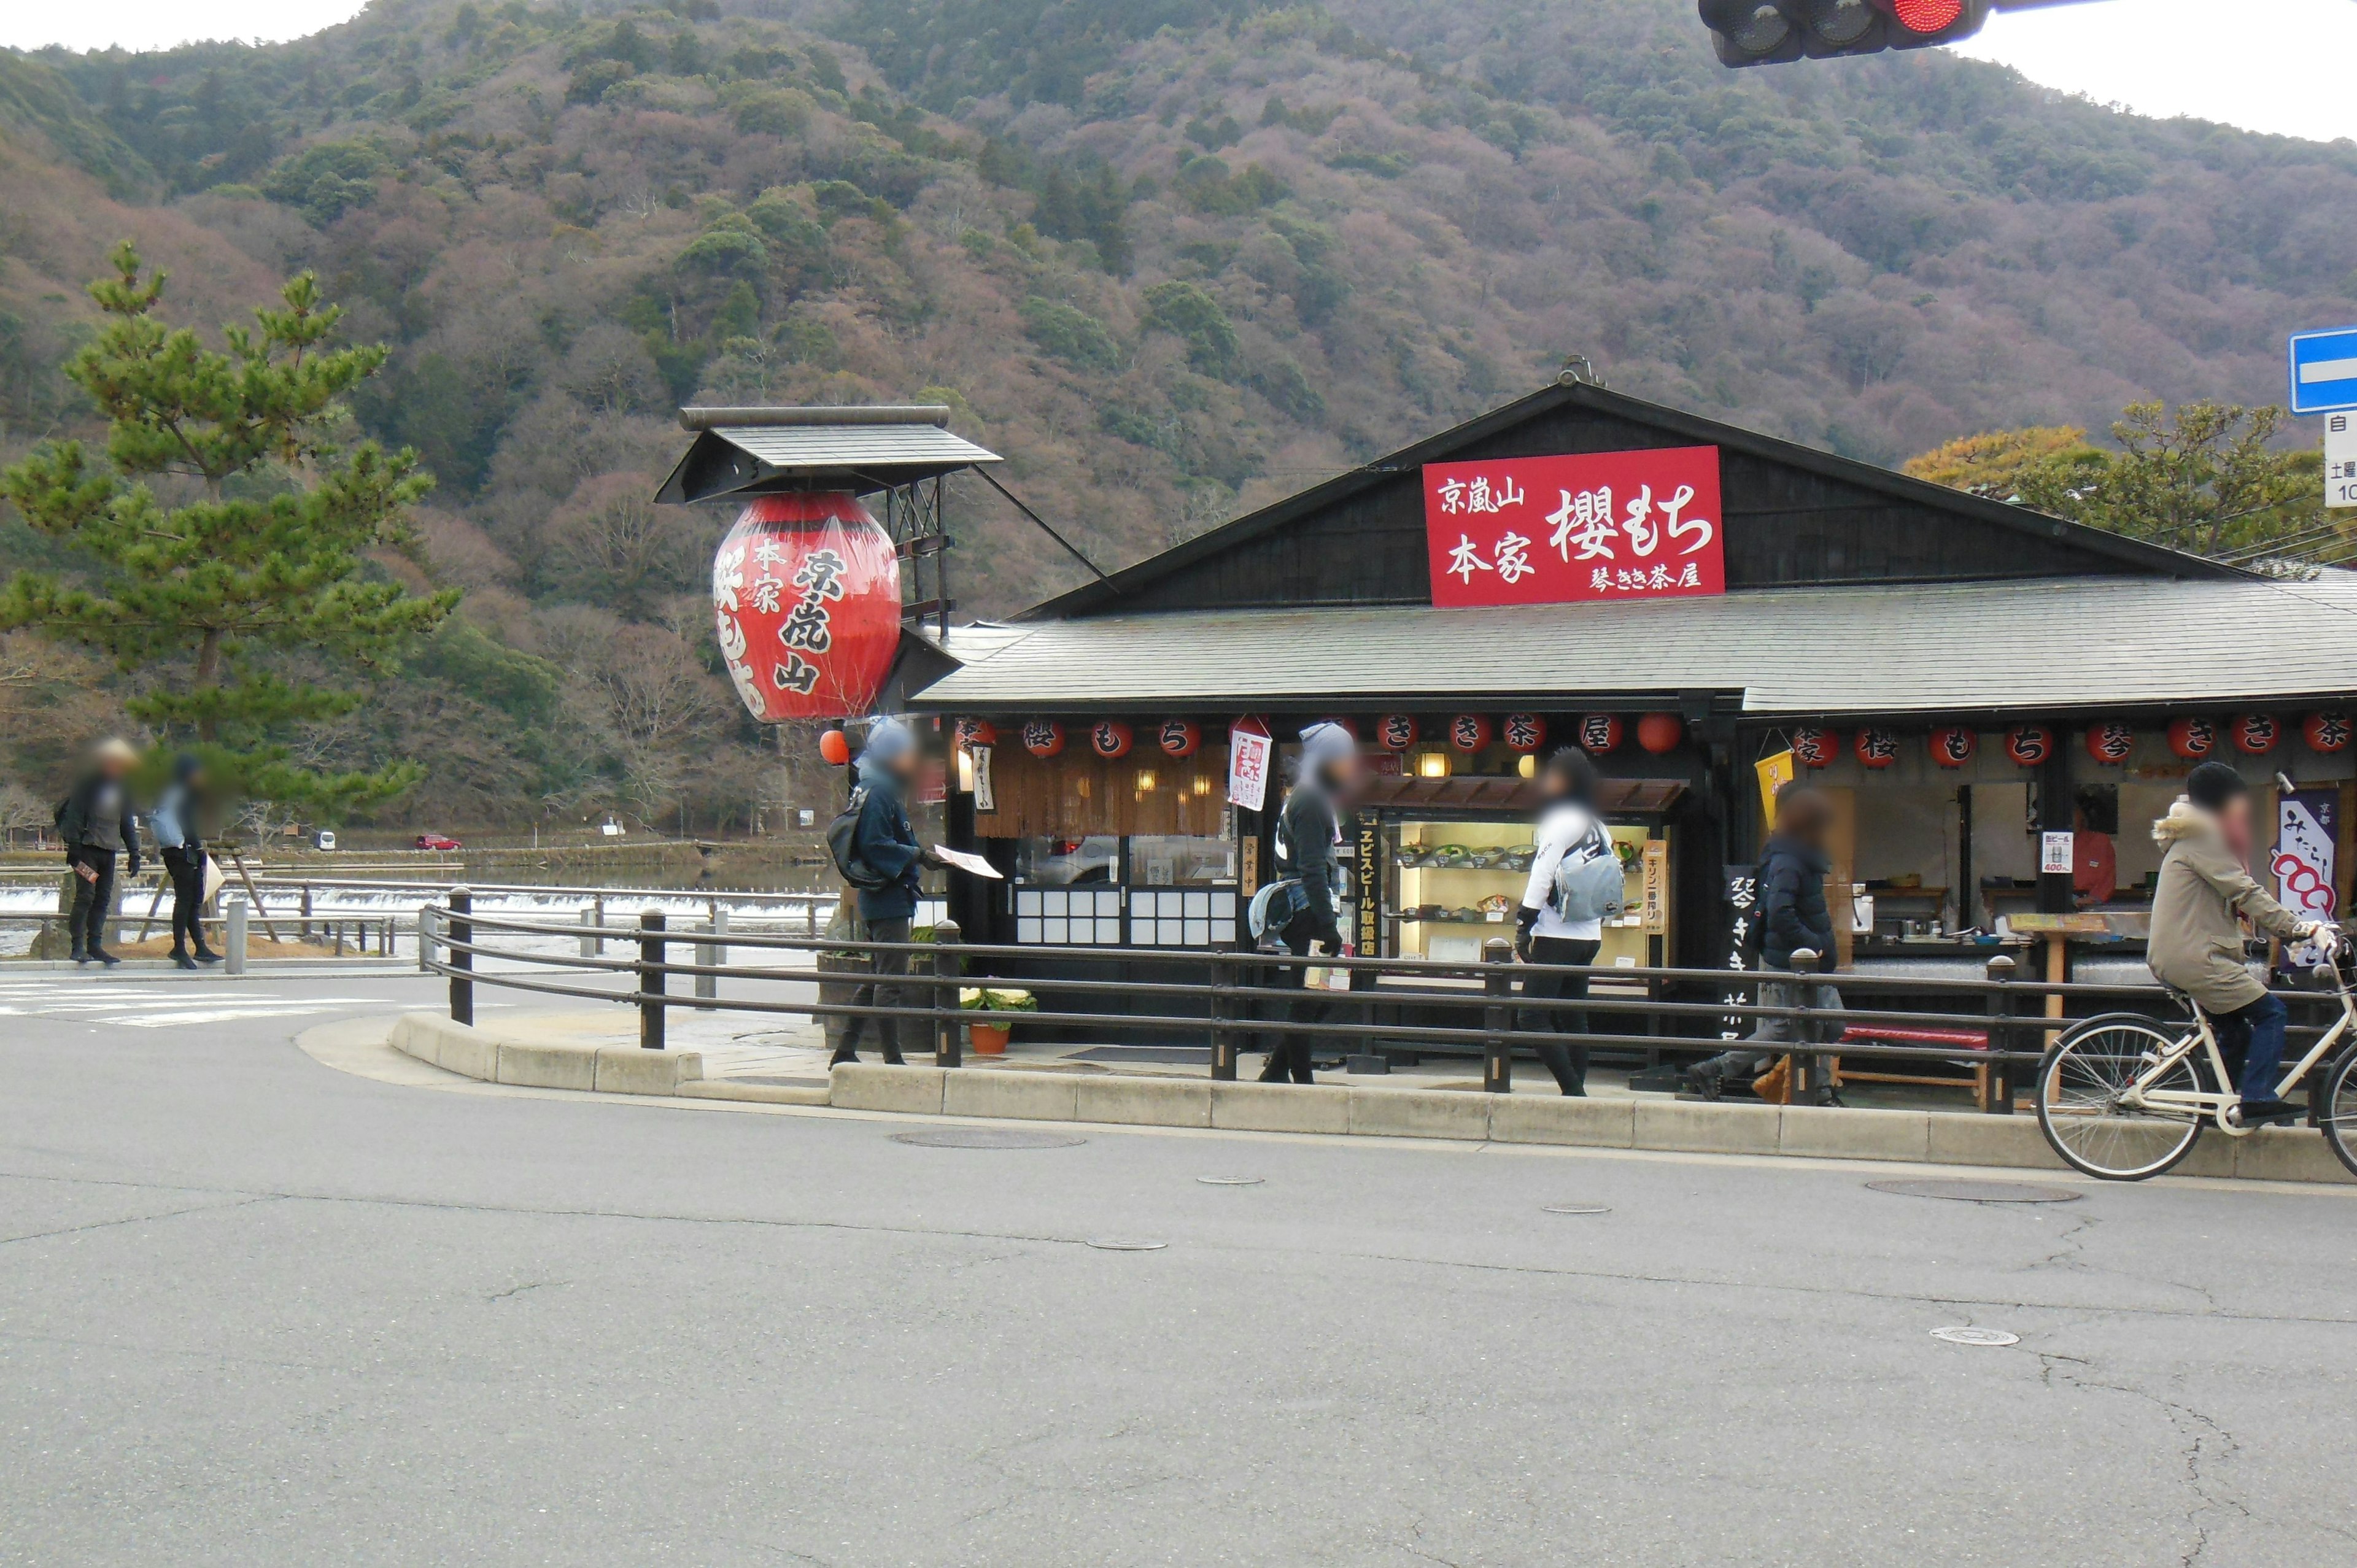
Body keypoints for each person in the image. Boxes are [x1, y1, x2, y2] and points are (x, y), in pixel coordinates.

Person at [2147, 761, 2338, 1126]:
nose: (2243, 807)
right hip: (2196, 957)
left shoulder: (2194, 839)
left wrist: (2289, 931)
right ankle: (2257, 1099)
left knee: (2236, 1031)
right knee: (2272, 1013)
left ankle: (2216, 1109)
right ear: (2222, 802)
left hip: (2186, 954)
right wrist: (2299, 928)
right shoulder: (2201, 839)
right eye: (2238, 799)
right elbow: (2245, 891)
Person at [1687, 782, 1844, 1106]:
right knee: (1793, 1025)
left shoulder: (1795, 855)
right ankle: (1721, 1068)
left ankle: (1813, 1088)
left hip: (1803, 959)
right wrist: (1813, 946)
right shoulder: (1789, 860)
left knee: (1825, 1023)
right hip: (1794, 961)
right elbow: (1780, 912)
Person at [1259, 720, 1363, 1084]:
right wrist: (1326, 924)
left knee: (1320, 994)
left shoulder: (1306, 797)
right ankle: (1301, 1079)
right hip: (1307, 910)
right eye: (1345, 759)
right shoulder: (1311, 801)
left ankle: (1276, 1071)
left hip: (1309, 908)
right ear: (1327, 761)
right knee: (1310, 996)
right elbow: (1313, 869)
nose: (1351, 766)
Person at [830, 717, 932, 1067]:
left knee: (876, 979)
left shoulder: (871, 786)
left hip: (881, 895)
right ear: (891, 756)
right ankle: (892, 1057)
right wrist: (918, 855)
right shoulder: (880, 792)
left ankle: (845, 1048)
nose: (910, 759)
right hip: (887, 896)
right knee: (890, 981)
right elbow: (875, 844)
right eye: (905, 752)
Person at [1513, 747, 1611, 1096]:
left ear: (1566, 781)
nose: (1547, 781)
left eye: (1553, 775)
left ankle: (1573, 1090)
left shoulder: (1560, 820)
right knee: (1573, 1016)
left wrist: (1525, 921)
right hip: (1590, 934)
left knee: (1531, 1016)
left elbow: (1542, 873)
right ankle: (1577, 1091)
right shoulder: (1598, 827)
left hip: (1558, 934)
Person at [56, 737, 144, 967]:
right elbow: (75, 814)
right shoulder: (89, 784)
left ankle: (95, 944)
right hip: (87, 850)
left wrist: (135, 853)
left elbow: (126, 822)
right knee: (86, 895)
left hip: (109, 851)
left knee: (103, 898)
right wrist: (74, 845)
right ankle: (77, 946)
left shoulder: (123, 788)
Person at [149, 753, 222, 969]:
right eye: (198, 772)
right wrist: (198, 848)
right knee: (186, 899)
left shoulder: (169, 792)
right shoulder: (185, 793)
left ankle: (198, 947)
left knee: (191, 899)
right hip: (184, 850)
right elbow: (187, 824)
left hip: (171, 849)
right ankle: (180, 948)